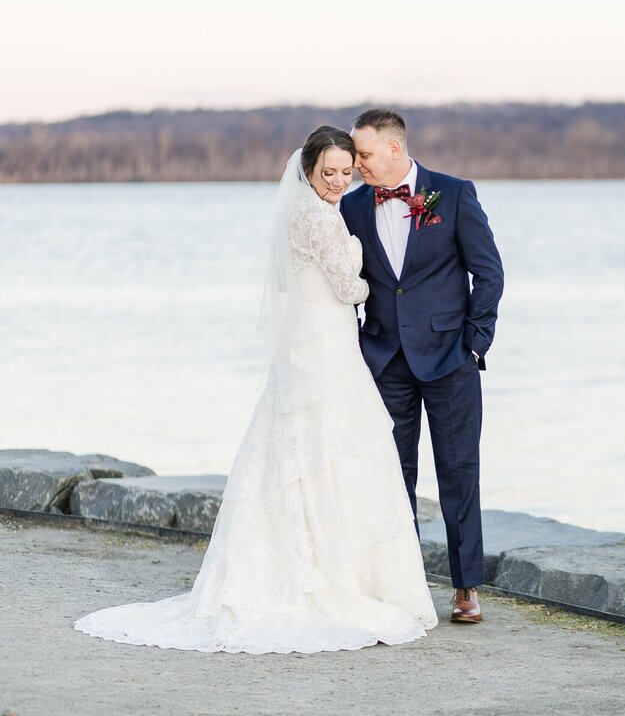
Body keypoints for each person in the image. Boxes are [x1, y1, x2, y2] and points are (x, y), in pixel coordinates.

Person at [74, 126, 438, 653]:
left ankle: (304, 566)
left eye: (344, 171)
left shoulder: (301, 214)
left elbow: (297, 283)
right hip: (326, 349)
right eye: (327, 173)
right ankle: (334, 578)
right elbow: (351, 288)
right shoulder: (319, 220)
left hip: (308, 345)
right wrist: (362, 263)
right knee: (332, 451)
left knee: (300, 453)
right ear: (308, 172)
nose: (337, 181)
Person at [342, 108, 503, 623]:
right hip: (385, 360)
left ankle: (465, 587)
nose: (356, 165)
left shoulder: (453, 194)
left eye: (363, 154)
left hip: (451, 358)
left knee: (459, 473)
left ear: (393, 148)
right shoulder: (352, 209)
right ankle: (404, 583)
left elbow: (489, 273)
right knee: (392, 476)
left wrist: (476, 343)